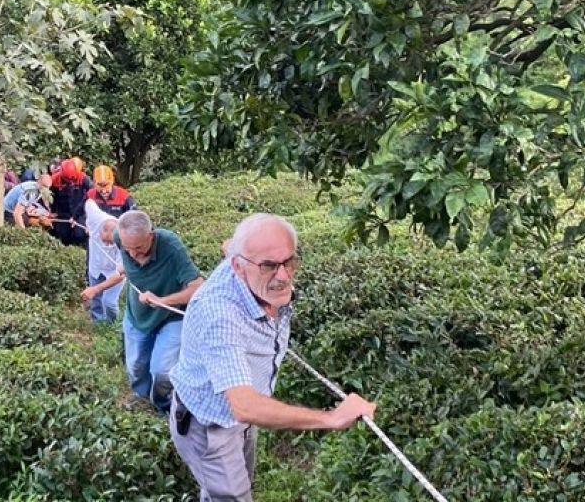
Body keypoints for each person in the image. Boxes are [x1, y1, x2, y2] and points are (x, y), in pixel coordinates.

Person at [168, 214, 377, 501]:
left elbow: (230, 245)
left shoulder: (244, 261)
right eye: (268, 266)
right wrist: (332, 418)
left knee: (231, 488)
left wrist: (244, 252)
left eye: (288, 262)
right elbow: (244, 406)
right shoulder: (219, 315)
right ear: (238, 267)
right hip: (210, 426)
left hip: (239, 419)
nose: (282, 276)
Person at [115, 210, 203, 413]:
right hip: (138, 316)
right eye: (127, 249)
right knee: (136, 366)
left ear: (151, 235)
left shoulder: (171, 246)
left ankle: (162, 405)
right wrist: (123, 265)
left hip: (171, 316)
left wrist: (162, 300)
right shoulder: (120, 237)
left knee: (162, 371)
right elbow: (107, 230)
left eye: (138, 247)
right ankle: (141, 396)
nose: (133, 254)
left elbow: (198, 287)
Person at [79, 199, 124, 322]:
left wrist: (95, 289)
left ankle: (111, 325)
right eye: (106, 241)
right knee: (96, 300)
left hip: (114, 272)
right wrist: (86, 223)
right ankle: (98, 323)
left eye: (111, 242)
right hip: (96, 265)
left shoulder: (125, 239)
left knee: (109, 302)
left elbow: (120, 275)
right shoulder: (95, 218)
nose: (108, 245)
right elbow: (88, 202)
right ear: (101, 229)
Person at [49, 158, 92, 247]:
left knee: (79, 235)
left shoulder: (83, 178)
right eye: (68, 180)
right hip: (62, 212)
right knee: (64, 236)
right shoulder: (54, 180)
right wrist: (51, 211)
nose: (71, 183)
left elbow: (92, 192)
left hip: (79, 211)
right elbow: (50, 197)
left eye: (72, 180)